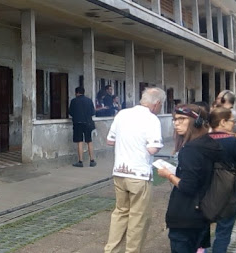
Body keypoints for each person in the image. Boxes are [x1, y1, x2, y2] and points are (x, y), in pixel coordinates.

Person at [104, 86, 165, 253]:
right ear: (156, 103)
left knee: (120, 213)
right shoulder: (152, 119)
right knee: (138, 217)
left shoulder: (122, 114)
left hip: (119, 172)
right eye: (161, 105)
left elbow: (110, 140)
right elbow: (153, 148)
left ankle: (111, 250)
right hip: (140, 174)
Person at [156, 104, 222, 253]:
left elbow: (188, 186)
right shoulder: (208, 143)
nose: (176, 123)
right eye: (175, 119)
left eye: (182, 119)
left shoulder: (191, 150)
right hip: (202, 213)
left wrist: (169, 175)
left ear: (196, 122)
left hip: (186, 216)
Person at [206, 107, 236, 253]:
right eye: (232, 121)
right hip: (229, 191)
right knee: (223, 231)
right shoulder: (233, 142)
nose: (234, 124)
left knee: (202, 228)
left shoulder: (202, 140)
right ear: (223, 122)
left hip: (205, 190)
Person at [68, 86, 96, 167]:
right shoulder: (89, 100)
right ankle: (92, 161)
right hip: (88, 123)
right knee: (89, 141)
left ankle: (80, 161)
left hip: (78, 123)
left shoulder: (74, 101)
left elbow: (70, 112)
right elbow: (93, 112)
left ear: (76, 93)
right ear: (83, 92)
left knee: (79, 141)